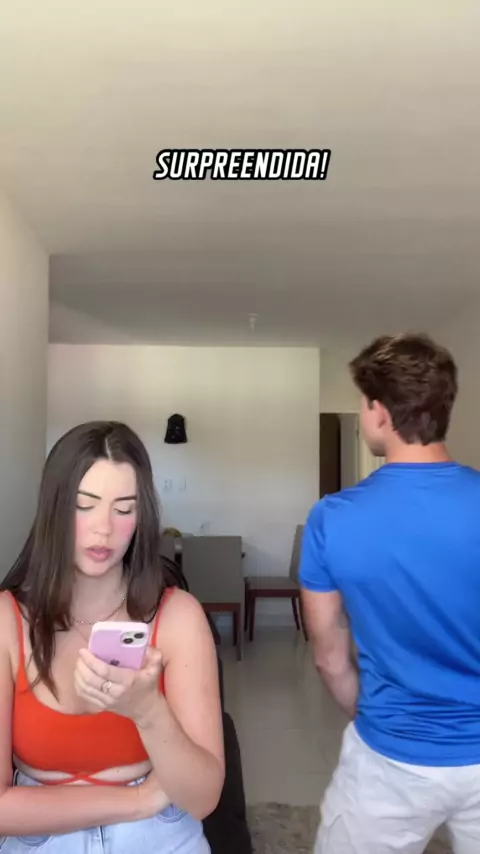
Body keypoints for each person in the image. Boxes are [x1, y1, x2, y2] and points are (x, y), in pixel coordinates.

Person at [0, 421, 224, 852]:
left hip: (161, 834)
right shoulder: (8, 620)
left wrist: (149, 711)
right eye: (84, 505)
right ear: (54, 508)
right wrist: (136, 801)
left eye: (124, 509)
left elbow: (202, 799)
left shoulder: (178, 616)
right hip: (43, 835)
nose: (103, 528)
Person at [300, 333, 480, 854]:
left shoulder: (332, 519)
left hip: (389, 756)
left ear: (379, 411)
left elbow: (330, 660)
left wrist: (378, 719)